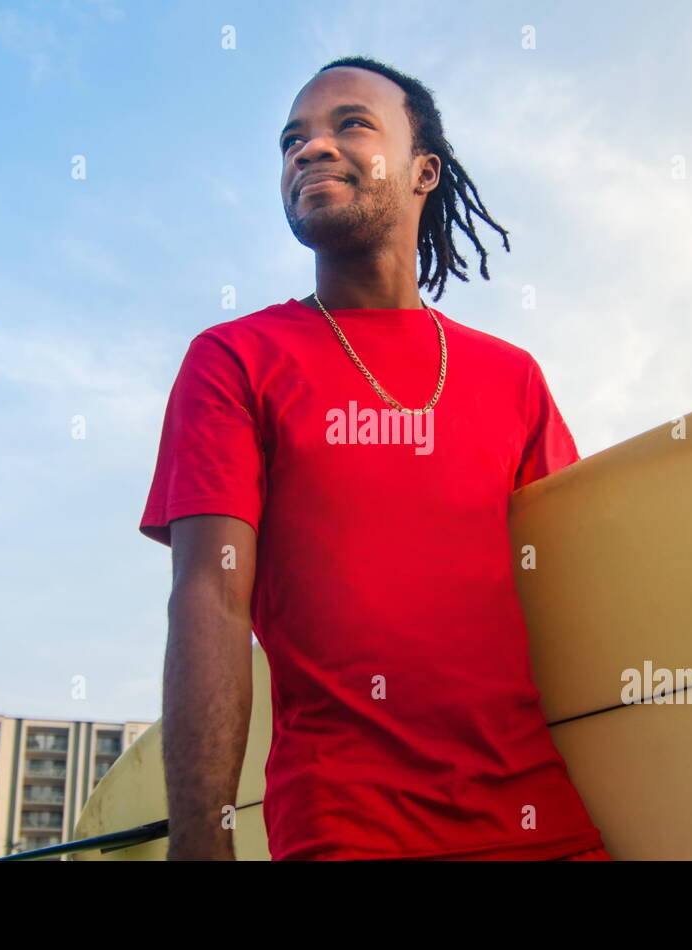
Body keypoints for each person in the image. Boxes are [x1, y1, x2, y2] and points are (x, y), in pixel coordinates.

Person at [141, 55, 611, 861]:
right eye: (292, 139)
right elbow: (209, 602)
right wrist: (200, 842)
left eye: (349, 124)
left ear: (424, 171)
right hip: (348, 825)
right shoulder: (234, 359)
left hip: (543, 816)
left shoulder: (513, 378)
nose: (309, 148)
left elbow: (570, 596)